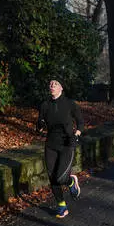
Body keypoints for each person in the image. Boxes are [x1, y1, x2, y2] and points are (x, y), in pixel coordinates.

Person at [36, 76, 84, 218]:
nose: (52, 85)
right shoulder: (45, 105)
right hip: (51, 144)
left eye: (56, 83)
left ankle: (71, 181)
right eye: (51, 83)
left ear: (61, 88)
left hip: (67, 144)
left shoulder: (70, 104)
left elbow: (80, 122)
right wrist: (40, 125)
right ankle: (61, 206)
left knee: (61, 177)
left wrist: (77, 133)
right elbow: (39, 123)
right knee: (52, 177)